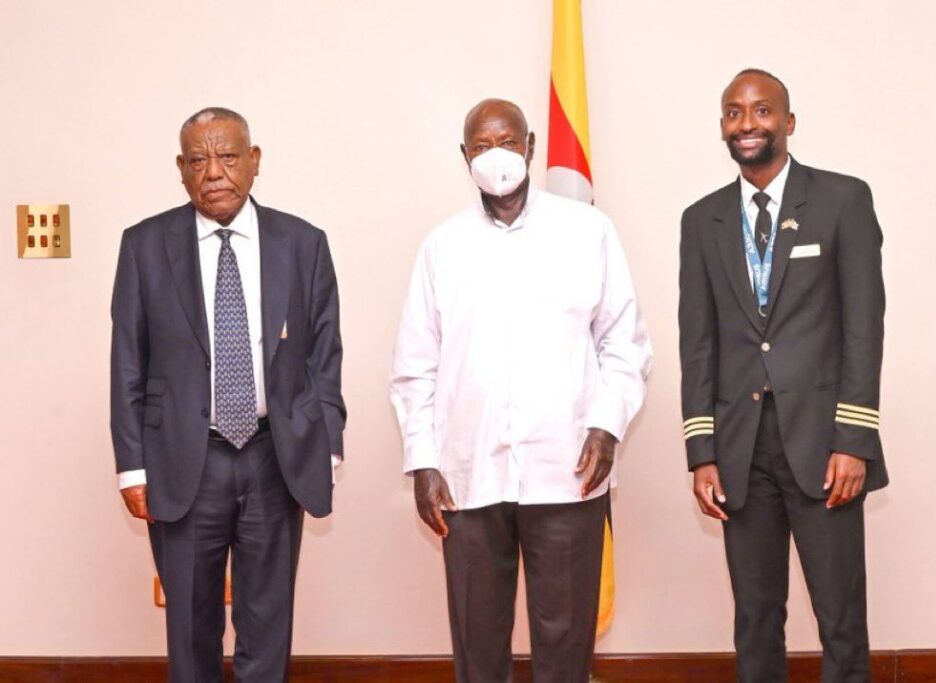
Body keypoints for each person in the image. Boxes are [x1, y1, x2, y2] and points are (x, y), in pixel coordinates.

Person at [390, 98, 652, 683]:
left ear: (531, 146)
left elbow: (625, 344)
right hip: (468, 478)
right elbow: (415, 368)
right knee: (478, 646)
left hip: (567, 473)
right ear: (464, 158)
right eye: (481, 147)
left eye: (507, 142)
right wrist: (423, 461)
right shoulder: (441, 248)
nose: (496, 156)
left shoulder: (587, 231)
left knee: (564, 645)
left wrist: (607, 424)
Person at [110, 107, 345, 682]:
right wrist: (131, 468)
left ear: (254, 161)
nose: (214, 171)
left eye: (228, 156)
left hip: (275, 457)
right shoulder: (144, 245)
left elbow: (324, 356)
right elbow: (127, 363)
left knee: (268, 621)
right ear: (181, 170)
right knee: (190, 625)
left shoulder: (303, 242)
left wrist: (327, 446)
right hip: (183, 462)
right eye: (198, 160)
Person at [678, 70, 888, 682]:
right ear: (722, 127)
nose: (748, 124)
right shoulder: (703, 220)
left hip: (824, 446)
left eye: (762, 111)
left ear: (788, 122)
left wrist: (854, 440)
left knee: (841, 617)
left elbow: (864, 328)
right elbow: (698, 340)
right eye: (734, 113)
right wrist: (702, 450)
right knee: (755, 616)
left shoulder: (842, 200)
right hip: (741, 449)